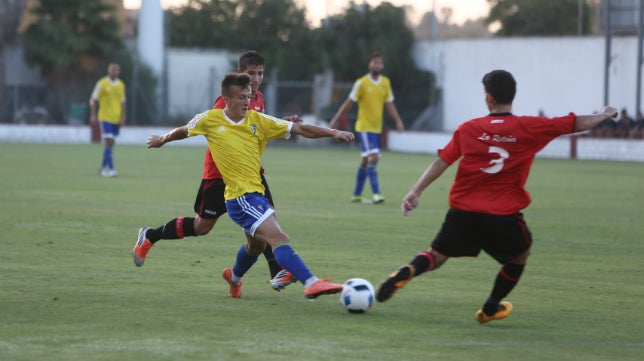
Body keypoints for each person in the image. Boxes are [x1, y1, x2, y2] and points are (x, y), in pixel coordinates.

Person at [375, 70, 617, 324]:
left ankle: (411, 268)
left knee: (436, 255)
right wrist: (603, 114)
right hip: (502, 216)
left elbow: (442, 161)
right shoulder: (530, 127)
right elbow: (576, 122)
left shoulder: (468, 129)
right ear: (512, 95)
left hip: (463, 212)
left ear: (488, 98)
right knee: (519, 255)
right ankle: (490, 307)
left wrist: (415, 191)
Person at [145, 72, 354, 299]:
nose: (247, 102)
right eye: (241, 98)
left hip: (257, 194)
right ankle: (311, 282)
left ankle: (233, 278)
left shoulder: (258, 121)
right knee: (279, 238)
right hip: (240, 198)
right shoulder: (210, 119)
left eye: (248, 96)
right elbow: (184, 131)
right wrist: (163, 139)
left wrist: (333, 132)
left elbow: (300, 129)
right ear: (227, 99)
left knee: (255, 247)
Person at [133, 51, 300, 291]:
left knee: (265, 219)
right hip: (219, 174)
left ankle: (272, 272)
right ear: (240, 73)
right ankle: (150, 236)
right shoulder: (227, 102)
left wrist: (282, 122)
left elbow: (254, 131)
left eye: (260, 73)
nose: (255, 78)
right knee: (203, 227)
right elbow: (204, 127)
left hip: (249, 174)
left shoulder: (259, 100)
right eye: (250, 73)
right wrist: (164, 139)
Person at [329, 51, 405, 204]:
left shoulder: (385, 83)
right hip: (364, 127)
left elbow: (389, 104)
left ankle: (357, 194)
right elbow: (349, 103)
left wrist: (398, 120)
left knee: (365, 160)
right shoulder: (362, 83)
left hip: (377, 128)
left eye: (380, 63)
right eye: (375, 62)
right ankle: (377, 193)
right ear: (369, 64)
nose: (378, 65)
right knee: (374, 157)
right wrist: (336, 118)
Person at [89, 61, 126, 177]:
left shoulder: (121, 85)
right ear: (108, 70)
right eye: (112, 69)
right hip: (105, 118)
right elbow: (93, 100)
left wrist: (123, 117)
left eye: (116, 69)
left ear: (119, 71)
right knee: (109, 141)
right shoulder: (102, 83)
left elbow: (123, 102)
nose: (114, 71)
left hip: (116, 118)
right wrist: (93, 115)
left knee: (110, 144)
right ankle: (111, 169)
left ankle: (102, 168)